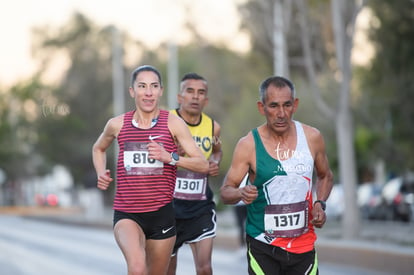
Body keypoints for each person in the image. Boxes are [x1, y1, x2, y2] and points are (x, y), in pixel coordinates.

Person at [92, 65, 209, 275]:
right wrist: (101, 172)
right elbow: (98, 148)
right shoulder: (117, 124)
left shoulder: (174, 124)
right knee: (137, 268)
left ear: (161, 91)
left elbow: (202, 164)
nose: (148, 92)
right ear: (132, 91)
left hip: (161, 215)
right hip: (127, 214)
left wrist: (170, 157)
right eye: (142, 86)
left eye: (154, 86)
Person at [220, 76, 333, 274]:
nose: (281, 114)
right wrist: (241, 193)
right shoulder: (248, 145)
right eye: (273, 106)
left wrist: (319, 203)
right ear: (261, 107)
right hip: (263, 245)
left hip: (303, 245)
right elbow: (225, 191)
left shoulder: (312, 137)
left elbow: (325, 176)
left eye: (287, 105)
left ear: (295, 105)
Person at [167, 73, 222, 275]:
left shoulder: (213, 128)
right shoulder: (166, 122)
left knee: (205, 268)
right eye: (190, 91)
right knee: (167, 269)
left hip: (200, 207)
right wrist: (173, 155)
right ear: (180, 97)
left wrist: (215, 162)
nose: (195, 97)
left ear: (206, 100)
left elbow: (217, 151)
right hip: (169, 208)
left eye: (201, 93)